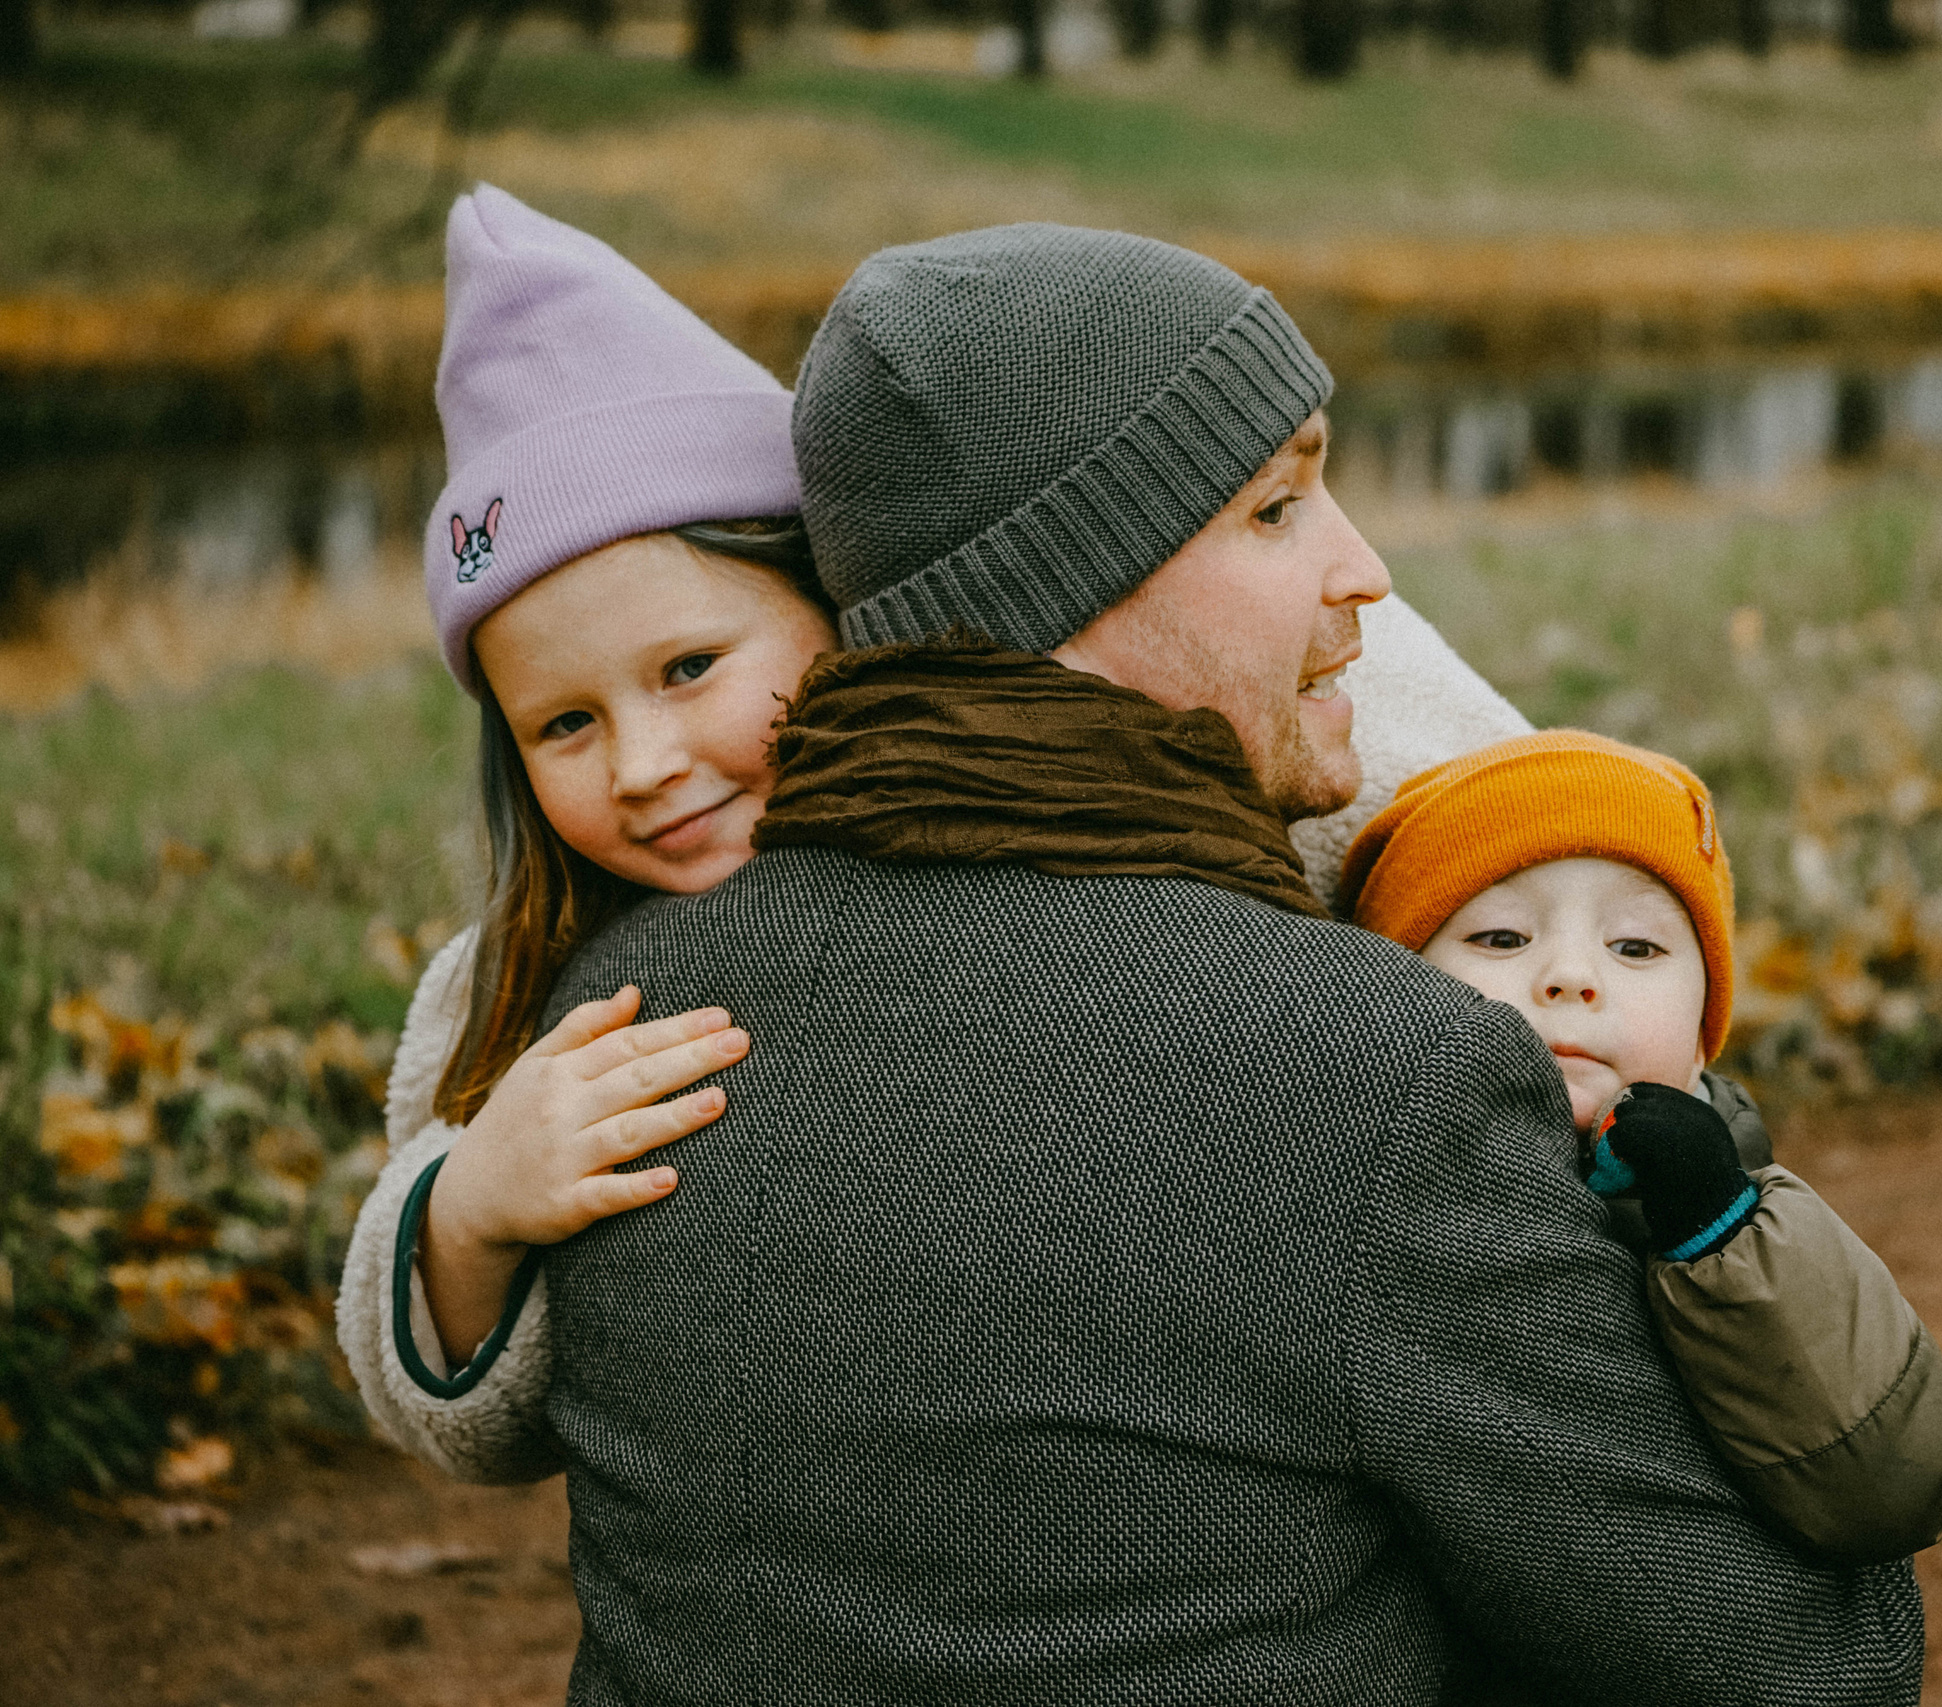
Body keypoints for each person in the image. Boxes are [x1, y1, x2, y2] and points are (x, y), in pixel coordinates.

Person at [502, 222, 1925, 1704]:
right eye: (1278, 505)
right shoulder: (1368, 1072)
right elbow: (1800, 1665)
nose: (1361, 568)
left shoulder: (616, 1034)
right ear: (1077, 583)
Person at [338, 192, 1529, 1479]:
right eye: (563, 724)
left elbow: (1444, 788)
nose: (642, 767)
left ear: (839, 604)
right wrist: (460, 1222)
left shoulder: (1108, 748)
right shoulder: (533, 983)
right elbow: (468, 1425)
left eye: (688, 668)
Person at [1338, 729, 1942, 1564]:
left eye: (1635, 946)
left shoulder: (1743, 1210)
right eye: (1501, 938)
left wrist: (1719, 1236)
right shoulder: (1354, 1187)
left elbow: (1897, 1482)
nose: (1570, 975)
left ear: (1703, 1038)